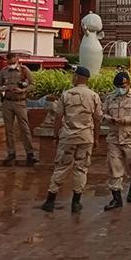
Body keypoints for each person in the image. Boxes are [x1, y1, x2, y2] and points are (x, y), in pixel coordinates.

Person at [41, 66, 102, 213]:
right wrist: (96, 138)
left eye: (74, 75)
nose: (72, 77)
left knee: (61, 167)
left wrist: (56, 135)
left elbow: (58, 117)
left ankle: (50, 200)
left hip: (68, 137)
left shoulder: (66, 95)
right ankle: (76, 202)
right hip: (86, 138)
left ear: (79, 77)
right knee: (81, 168)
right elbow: (98, 119)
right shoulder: (93, 96)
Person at [103, 72, 131, 211]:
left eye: (122, 86)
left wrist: (125, 120)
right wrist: (108, 118)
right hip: (114, 138)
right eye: (117, 86)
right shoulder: (110, 98)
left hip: (130, 138)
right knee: (114, 168)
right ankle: (116, 198)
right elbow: (102, 113)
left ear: (128, 84)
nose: (119, 89)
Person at [0, 53, 37, 166]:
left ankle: (30, 153)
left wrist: (23, 90)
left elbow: (32, 85)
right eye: (9, 62)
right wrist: (4, 88)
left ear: (17, 59)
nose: (10, 64)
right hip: (7, 102)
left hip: (20, 102)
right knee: (8, 129)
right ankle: (11, 152)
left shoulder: (24, 70)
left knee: (24, 128)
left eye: (12, 61)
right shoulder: (4, 71)